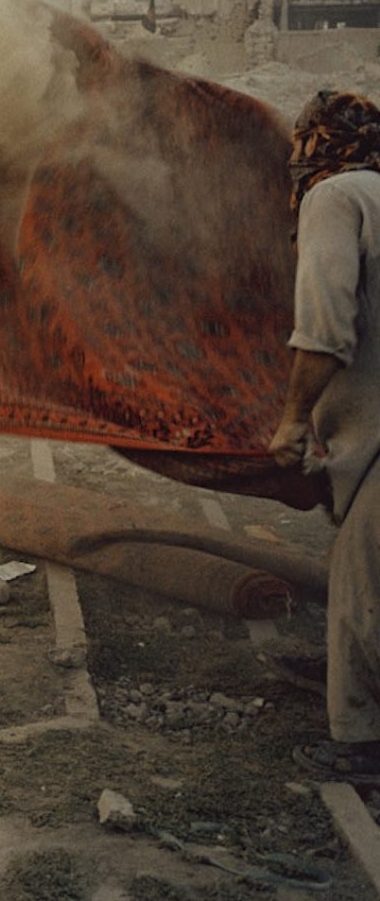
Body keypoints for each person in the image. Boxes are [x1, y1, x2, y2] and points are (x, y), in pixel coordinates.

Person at [268, 90, 380, 782]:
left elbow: (325, 330)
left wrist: (290, 420)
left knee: (362, 576)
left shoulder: (336, 199)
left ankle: (361, 743)